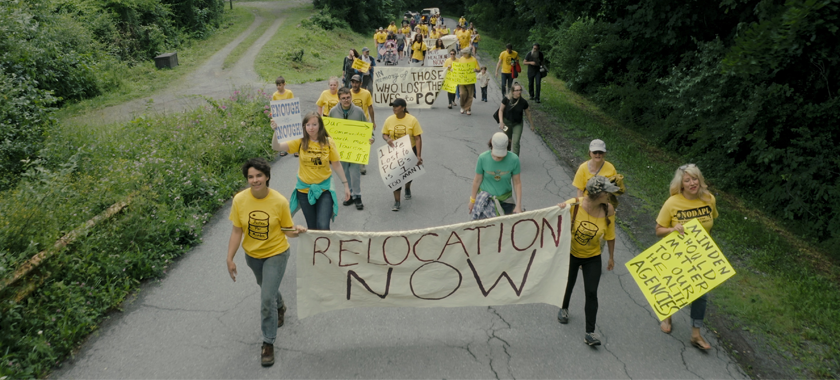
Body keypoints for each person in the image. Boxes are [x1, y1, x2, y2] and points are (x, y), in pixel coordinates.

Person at [226, 158, 307, 367]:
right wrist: (230, 258)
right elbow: (237, 230)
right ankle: (280, 306)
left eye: (259, 176)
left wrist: (298, 231)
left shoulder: (279, 201)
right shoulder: (239, 200)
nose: (255, 180)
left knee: (265, 300)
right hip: (252, 256)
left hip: (276, 253)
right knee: (266, 289)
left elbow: (287, 231)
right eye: (251, 177)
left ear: (267, 176)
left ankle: (268, 342)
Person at [655, 164, 718, 350]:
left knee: (701, 294)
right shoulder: (672, 203)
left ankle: (696, 335)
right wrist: (673, 229)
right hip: (675, 253)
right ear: (681, 185)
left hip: (700, 254)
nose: (692, 183)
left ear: (700, 180)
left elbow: (711, 222)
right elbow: (658, 230)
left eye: (695, 178)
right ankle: (667, 316)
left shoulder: (709, 199)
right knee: (673, 287)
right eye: (687, 180)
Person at [556, 175, 618, 347]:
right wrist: (560, 208)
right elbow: (553, 220)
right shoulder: (574, 204)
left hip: (593, 257)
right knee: (568, 283)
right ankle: (564, 307)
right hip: (571, 253)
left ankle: (590, 332)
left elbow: (610, 235)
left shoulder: (608, 209)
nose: (610, 196)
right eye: (607, 193)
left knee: (591, 292)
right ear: (598, 194)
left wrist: (611, 257)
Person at [271, 113, 351, 230]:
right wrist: (276, 131)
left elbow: (336, 164)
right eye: (308, 125)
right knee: (312, 228)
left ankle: (325, 248)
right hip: (304, 190)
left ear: (320, 126)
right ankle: (316, 248)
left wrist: (346, 185)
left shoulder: (328, 142)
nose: (311, 127)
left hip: (324, 188)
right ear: (304, 126)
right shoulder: (300, 141)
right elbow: (276, 147)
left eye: (314, 124)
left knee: (323, 226)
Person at [329, 87, 374, 210]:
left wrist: (371, 137)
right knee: (344, 173)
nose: (346, 100)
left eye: (348, 97)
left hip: (355, 148)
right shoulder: (333, 112)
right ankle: (349, 195)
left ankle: (357, 196)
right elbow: (328, 131)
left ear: (351, 97)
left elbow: (367, 128)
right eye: (343, 98)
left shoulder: (359, 111)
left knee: (355, 173)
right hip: (340, 149)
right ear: (339, 99)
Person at [381, 98, 423, 211]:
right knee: (395, 176)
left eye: (396, 106)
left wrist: (418, 155)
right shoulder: (389, 120)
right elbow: (384, 134)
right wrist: (387, 139)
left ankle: (407, 187)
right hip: (395, 152)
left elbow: (418, 138)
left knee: (408, 175)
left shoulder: (412, 120)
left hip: (410, 150)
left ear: (403, 108)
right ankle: (397, 201)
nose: (394, 108)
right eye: (393, 106)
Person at [469, 133, 522, 220]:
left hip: (505, 200)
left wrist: (519, 205)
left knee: (505, 230)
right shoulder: (483, 158)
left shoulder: (514, 159)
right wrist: (472, 200)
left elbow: (517, 183)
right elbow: (477, 180)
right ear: (492, 145)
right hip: (485, 201)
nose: (498, 157)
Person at [497, 82, 533, 156]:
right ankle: (507, 156)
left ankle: (515, 160)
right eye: (517, 90)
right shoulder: (506, 99)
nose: (519, 92)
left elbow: (528, 114)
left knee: (516, 142)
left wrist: (532, 124)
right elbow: (501, 110)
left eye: (520, 90)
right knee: (508, 141)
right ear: (513, 91)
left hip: (518, 124)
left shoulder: (523, 102)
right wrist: (501, 122)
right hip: (507, 123)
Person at [349, 74, 376, 175]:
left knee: (363, 144)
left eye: (356, 82)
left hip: (363, 122)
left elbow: (370, 107)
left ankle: (361, 165)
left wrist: (373, 122)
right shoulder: (348, 93)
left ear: (361, 83)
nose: (354, 84)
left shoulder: (366, 93)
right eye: (353, 82)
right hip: (351, 122)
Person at [271, 76, 294, 157]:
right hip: (280, 116)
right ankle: (284, 149)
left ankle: (294, 147)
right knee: (282, 132)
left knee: (291, 131)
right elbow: (274, 107)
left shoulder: (289, 93)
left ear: (284, 84)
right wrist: (274, 117)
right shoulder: (275, 95)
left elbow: (292, 103)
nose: (278, 87)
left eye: (280, 85)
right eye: (277, 85)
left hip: (288, 114)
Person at [458, 49, 481, 115]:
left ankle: (468, 108)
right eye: (463, 53)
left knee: (470, 95)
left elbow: (479, 69)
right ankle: (462, 106)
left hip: (470, 80)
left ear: (468, 53)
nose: (463, 55)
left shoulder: (473, 59)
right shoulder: (461, 59)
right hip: (462, 80)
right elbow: (458, 67)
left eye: (465, 53)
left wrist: (476, 70)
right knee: (462, 94)